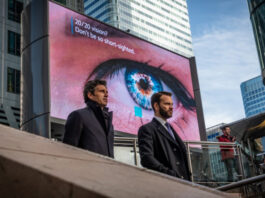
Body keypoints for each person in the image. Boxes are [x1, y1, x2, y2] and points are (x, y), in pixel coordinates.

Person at [138, 91, 191, 181]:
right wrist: (169, 174)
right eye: (167, 104)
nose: (171, 107)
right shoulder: (147, 129)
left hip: (184, 184)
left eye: (172, 104)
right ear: (156, 106)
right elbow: (146, 159)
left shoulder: (171, 129)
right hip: (167, 184)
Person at [63, 79, 114, 158]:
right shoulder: (78, 115)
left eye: (107, 92)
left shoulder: (109, 122)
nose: (106, 95)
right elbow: (68, 152)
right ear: (90, 95)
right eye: (102, 91)